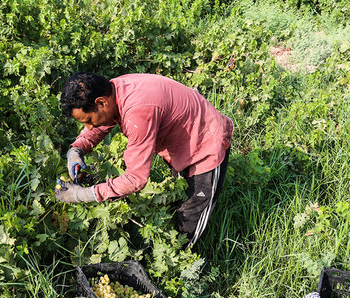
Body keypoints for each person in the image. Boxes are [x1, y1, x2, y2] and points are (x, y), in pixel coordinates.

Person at [56, 72, 232, 246]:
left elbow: (135, 179)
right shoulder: (114, 90)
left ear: (101, 102)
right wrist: (77, 149)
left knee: (191, 215)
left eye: (88, 120)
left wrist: (82, 194)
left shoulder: (137, 111)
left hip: (206, 145)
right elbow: (102, 122)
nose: (89, 126)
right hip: (184, 140)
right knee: (179, 199)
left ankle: (184, 258)